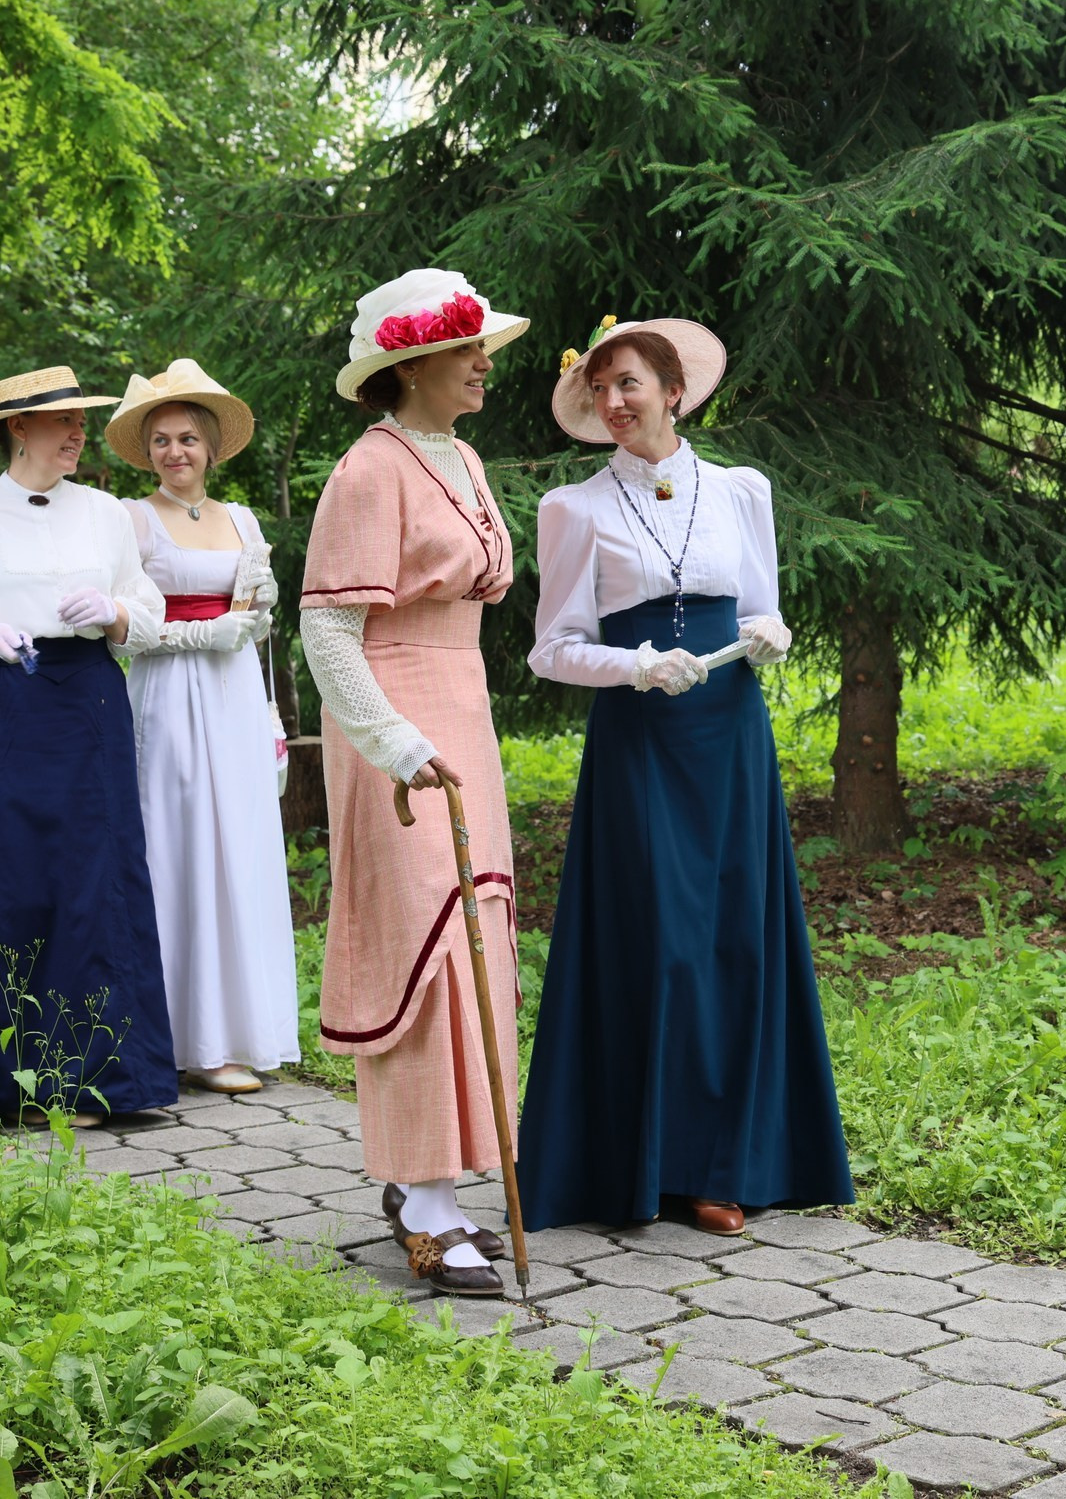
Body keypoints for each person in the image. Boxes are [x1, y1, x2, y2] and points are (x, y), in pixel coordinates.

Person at [515, 316, 854, 1234]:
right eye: (600, 389)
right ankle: (639, 1164)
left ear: (673, 389)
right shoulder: (574, 508)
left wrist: (771, 634)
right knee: (660, 941)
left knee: (734, 940)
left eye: (628, 383)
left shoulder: (742, 490)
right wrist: (633, 666)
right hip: (640, 741)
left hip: (729, 736)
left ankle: (724, 1168)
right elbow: (552, 649)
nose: (614, 402)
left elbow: (761, 611)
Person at [299, 268, 530, 1297]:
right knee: (423, 942)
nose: (485, 362)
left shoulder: (463, 456)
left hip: (462, 707)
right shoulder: (367, 469)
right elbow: (327, 629)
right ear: (412, 364)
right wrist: (392, 742)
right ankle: (425, 1199)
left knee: (477, 930)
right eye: (467, 347)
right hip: (392, 722)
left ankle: (441, 1176)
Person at [0, 366, 175, 1130]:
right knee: (4, 884)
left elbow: (147, 612)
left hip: (89, 703)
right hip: (3, 707)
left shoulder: (105, 513)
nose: (78, 432)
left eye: (81, 420)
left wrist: (114, 610)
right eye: (64, 420)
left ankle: (95, 1081)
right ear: (17, 428)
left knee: (94, 883)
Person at [104, 358, 298, 1095]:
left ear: (212, 446)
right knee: (176, 845)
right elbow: (120, 629)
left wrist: (256, 611)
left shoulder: (242, 519)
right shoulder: (131, 520)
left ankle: (236, 1033)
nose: (174, 452)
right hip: (169, 696)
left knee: (237, 845)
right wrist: (199, 634)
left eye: (187, 438)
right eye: (161, 440)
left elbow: (252, 615)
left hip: (235, 697)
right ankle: (175, 1038)